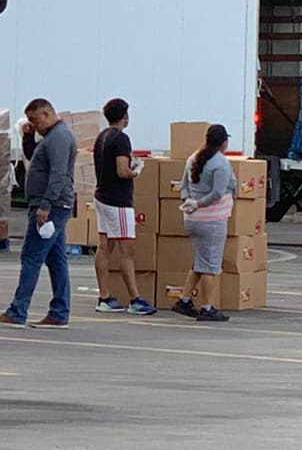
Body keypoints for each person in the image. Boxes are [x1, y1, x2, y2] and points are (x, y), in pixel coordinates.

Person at [1, 99, 76, 329]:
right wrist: (27, 137)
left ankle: (18, 310)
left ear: (45, 114)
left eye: (35, 120)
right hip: (53, 204)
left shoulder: (59, 138)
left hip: (51, 206)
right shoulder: (51, 138)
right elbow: (35, 159)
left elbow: (58, 174)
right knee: (56, 259)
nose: (34, 125)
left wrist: (45, 205)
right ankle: (59, 311)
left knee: (31, 257)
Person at [91, 98, 156, 315]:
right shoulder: (121, 139)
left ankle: (104, 295)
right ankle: (135, 298)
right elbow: (122, 171)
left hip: (102, 196)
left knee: (105, 246)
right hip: (118, 200)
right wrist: (135, 170)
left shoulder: (102, 137)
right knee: (127, 249)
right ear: (125, 117)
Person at [171, 125, 236, 322]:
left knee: (200, 262)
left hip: (192, 218)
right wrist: (200, 203)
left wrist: (190, 203)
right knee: (211, 265)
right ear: (224, 142)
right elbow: (217, 193)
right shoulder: (221, 164)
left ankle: (184, 299)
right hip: (212, 219)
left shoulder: (193, 158)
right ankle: (207, 307)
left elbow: (183, 186)